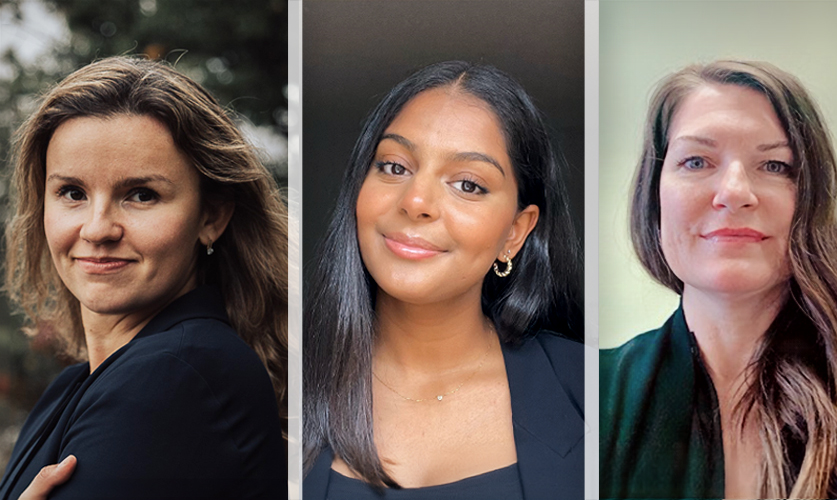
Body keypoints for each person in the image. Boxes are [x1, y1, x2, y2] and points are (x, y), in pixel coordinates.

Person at [0, 56, 288, 499]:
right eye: (72, 193)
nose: (97, 229)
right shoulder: (71, 387)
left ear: (211, 216)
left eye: (141, 195)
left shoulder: (176, 374)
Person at [600, 60, 837, 499]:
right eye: (696, 161)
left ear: (812, 200)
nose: (734, 192)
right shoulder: (583, 395)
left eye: (774, 165)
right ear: (654, 199)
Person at [302, 61, 584, 499]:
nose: (416, 201)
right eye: (394, 167)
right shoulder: (281, 381)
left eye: (468, 184)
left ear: (515, 231)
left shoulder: (593, 390)